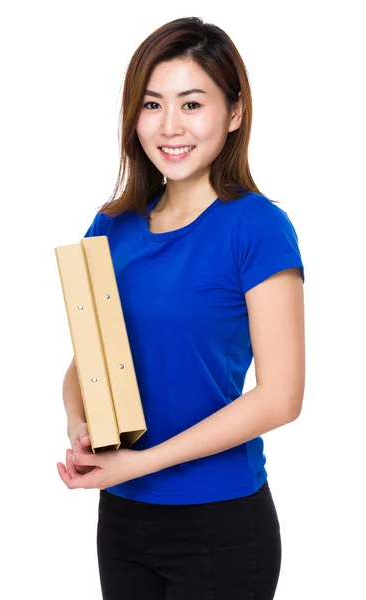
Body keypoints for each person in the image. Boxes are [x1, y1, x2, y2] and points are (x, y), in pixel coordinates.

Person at [58, 16, 305, 600]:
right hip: (121, 521)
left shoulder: (258, 228)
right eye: (152, 104)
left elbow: (282, 397)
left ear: (234, 112)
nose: (170, 127)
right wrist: (81, 424)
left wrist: (137, 465)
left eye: (192, 104)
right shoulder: (111, 225)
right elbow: (84, 364)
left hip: (219, 525)